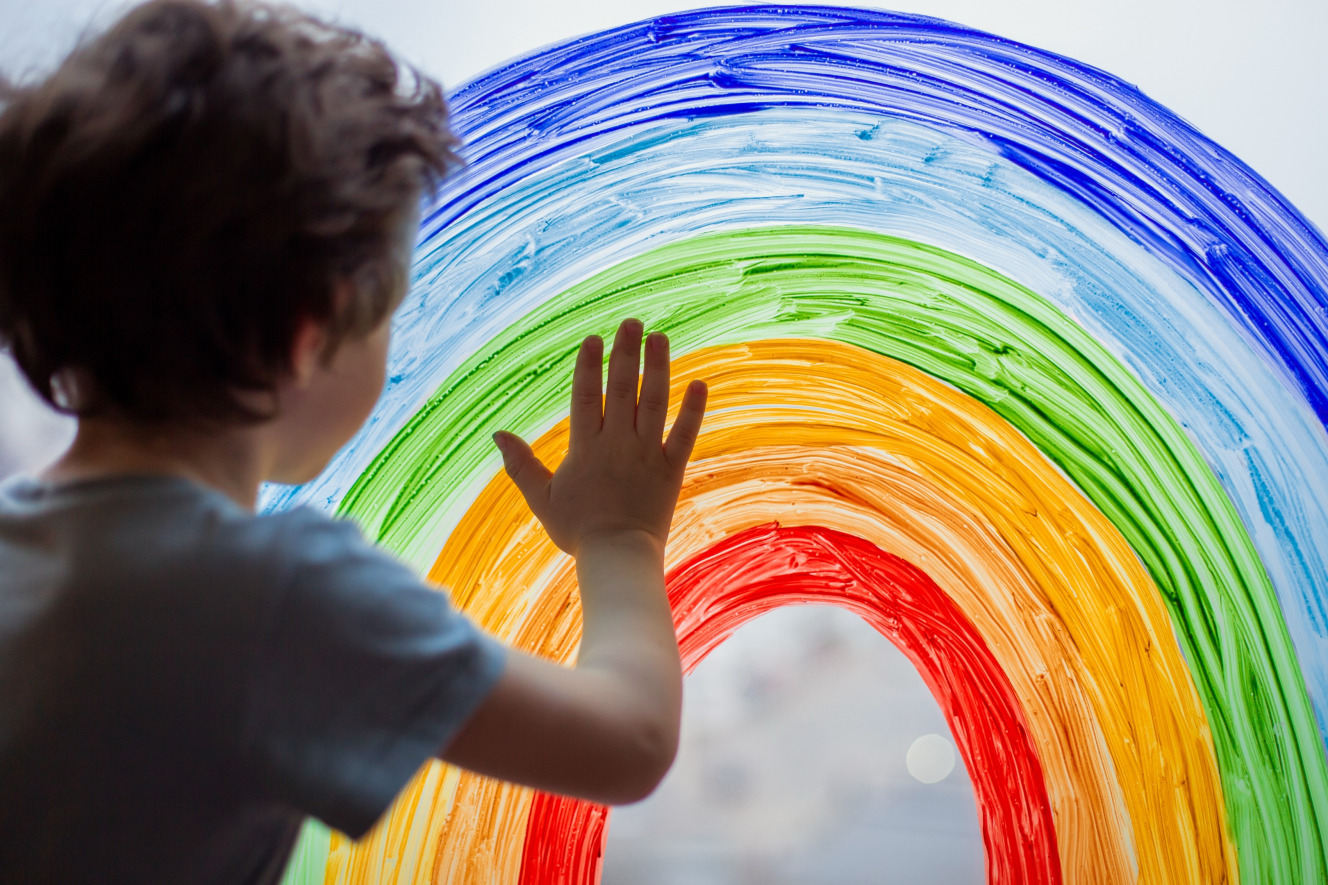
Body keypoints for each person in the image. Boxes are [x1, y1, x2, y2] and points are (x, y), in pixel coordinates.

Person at [0, 0, 709, 881]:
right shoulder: (274, 598)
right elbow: (627, 740)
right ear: (312, 333)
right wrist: (621, 537)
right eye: (390, 311)